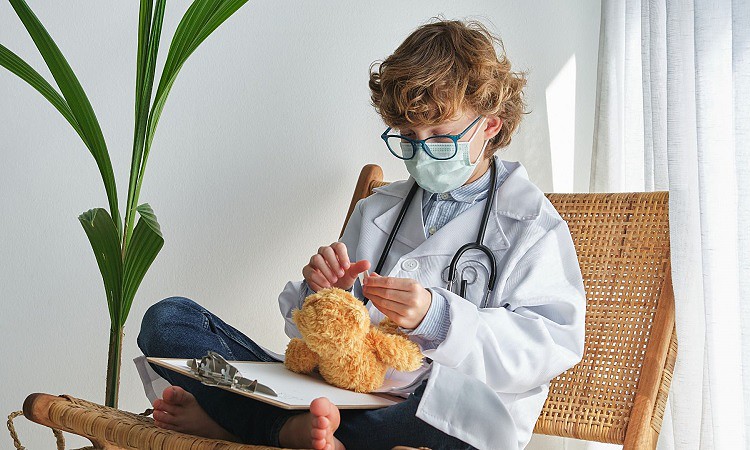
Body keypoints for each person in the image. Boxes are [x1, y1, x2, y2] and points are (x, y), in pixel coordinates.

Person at [137, 17, 585, 450]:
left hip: (428, 414)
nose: (423, 151)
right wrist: (321, 295)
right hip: (335, 394)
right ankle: (284, 427)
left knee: (442, 420)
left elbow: (552, 344)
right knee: (168, 320)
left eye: (441, 137)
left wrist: (440, 317)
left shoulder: (532, 226)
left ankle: (252, 425)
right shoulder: (379, 209)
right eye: (409, 137)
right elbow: (310, 334)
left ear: (491, 124)